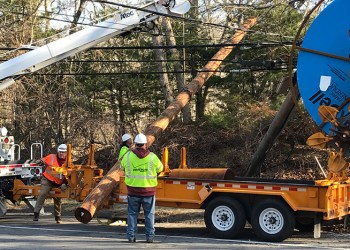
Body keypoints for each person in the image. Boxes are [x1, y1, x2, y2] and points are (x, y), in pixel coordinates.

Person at [120, 133, 164, 243]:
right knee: (149, 215)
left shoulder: (128, 156)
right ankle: (150, 237)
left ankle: (131, 236)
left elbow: (122, 167)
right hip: (148, 192)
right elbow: (160, 168)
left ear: (135, 144)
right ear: (145, 144)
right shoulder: (152, 157)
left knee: (132, 214)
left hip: (133, 192)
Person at [33, 143, 68, 224]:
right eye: (60, 152)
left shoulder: (68, 162)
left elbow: (69, 174)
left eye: (63, 152)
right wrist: (39, 161)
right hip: (47, 180)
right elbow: (43, 160)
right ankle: (36, 213)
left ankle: (58, 217)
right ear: (57, 152)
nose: (61, 153)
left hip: (59, 183)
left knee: (58, 198)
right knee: (43, 193)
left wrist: (65, 183)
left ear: (66, 153)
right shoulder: (52, 157)